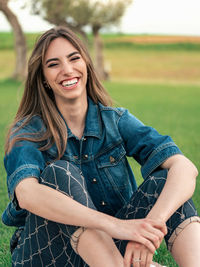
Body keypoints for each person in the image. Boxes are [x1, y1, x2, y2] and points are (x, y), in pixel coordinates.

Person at [2, 26, 200, 267]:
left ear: (86, 63)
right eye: (53, 64)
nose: (67, 70)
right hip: (49, 254)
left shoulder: (115, 120)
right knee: (59, 173)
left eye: (74, 58)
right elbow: (27, 194)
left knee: (164, 181)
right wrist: (117, 226)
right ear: (43, 77)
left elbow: (184, 167)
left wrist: (149, 226)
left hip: (109, 249)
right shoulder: (28, 131)